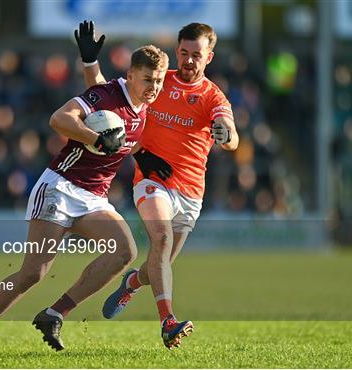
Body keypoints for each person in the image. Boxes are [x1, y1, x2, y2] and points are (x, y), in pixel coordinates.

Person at [0, 41, 169, 356]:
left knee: (124, 251)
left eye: (159, 80)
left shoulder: (142, 109)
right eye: (147, 79)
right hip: (60, 187)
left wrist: (144, 158)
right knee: (34, 272)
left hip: (94, 198)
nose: (153, 86)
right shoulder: (109, 94)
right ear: (130, 74)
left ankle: (55, 313)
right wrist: (95, 137)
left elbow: (124, 135)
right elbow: (60, 118)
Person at [75, 21, 239, 349]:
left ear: (209, 57)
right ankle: (168, 322)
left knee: (156, 267)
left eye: (196, 55)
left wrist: (225, 134)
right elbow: (106, 100)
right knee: (160, 240)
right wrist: (90, 63)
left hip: (191, 193)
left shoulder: (213, 96)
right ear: (177, 51)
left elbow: (229, 132)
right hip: (152, 180)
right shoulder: (159, 82)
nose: (189, 60)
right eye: (183, 53)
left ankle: (132, 283)